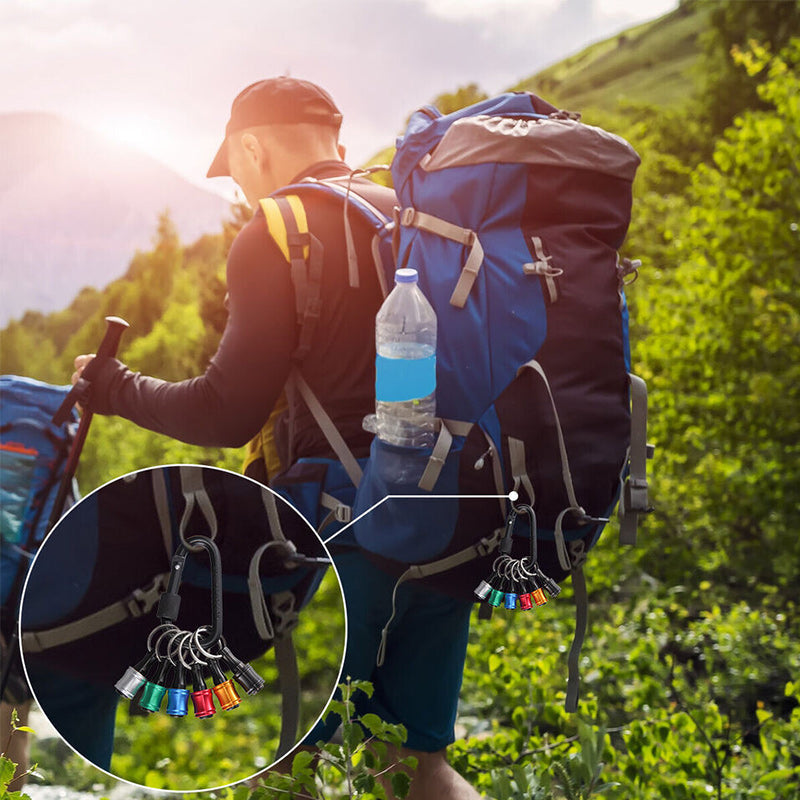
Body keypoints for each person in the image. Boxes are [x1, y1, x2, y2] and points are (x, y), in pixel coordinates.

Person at [73, 77, 481, 799]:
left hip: (344, 529)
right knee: (417, 764)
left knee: (290, 772)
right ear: (339, 142)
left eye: (237, 171)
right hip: (445, 510)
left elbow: (223, 413)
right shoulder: (412, 213)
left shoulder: (277, 229)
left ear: (252, 146)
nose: (241, 191)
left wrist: (114, 390)